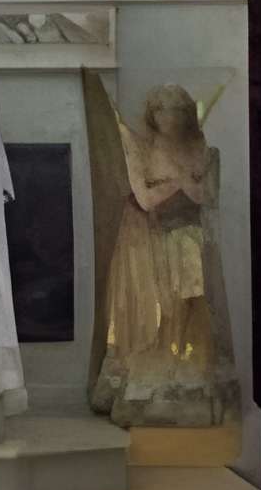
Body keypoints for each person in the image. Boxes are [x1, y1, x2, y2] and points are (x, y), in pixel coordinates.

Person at [88, 84, 242, 430]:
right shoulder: (143, 149)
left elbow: (206, 195)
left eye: (176, 110)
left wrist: (181, 186)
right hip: (151, 244)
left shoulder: (202, 150)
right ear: (153, 115)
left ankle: (186, 379)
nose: (169, 117)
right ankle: (152, 382)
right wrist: (179, 183)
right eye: (162, 110)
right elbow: (146, 199)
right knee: (159, 314)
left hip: (188, 241)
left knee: (191, 308)